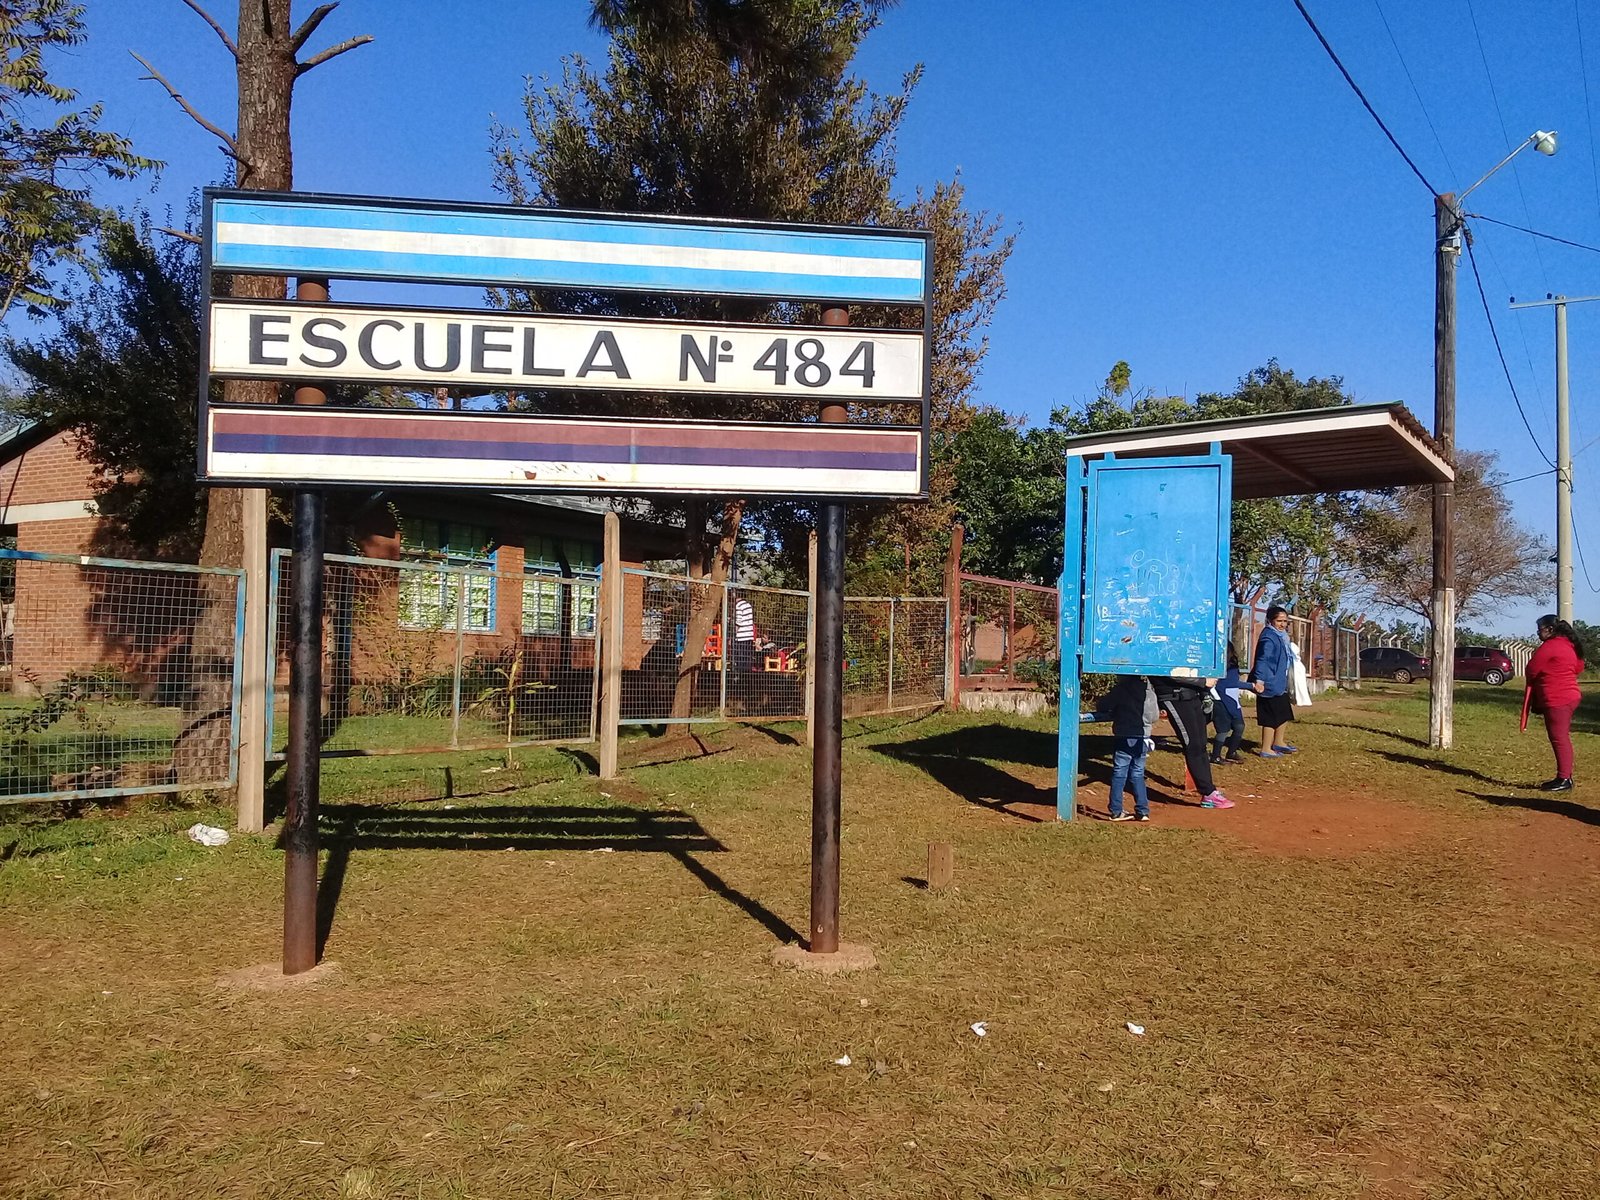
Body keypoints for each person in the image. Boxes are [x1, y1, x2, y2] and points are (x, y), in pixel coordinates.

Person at [1152, 673, 1233, 809]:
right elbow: (1173, 673)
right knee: (1192, 745)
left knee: (1201, 744)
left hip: (1193, 695)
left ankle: (1210, 790)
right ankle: (1208, 792)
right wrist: (1202, 681)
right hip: (1174, 697)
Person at [1525, 614, 1585, 792]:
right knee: (1560, 736)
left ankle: (1564, 778)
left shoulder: (1550, 646)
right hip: (1570, 696)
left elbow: (1531, 669)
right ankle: (1564, 777)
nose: (1538, 633)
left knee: (1559, 738)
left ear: (1550, 629)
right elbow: (1579, 667)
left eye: (1540, 630)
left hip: (1558, 698)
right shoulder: (1569, 645)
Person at [1100, 674, 1157, 821]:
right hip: (1143, 736)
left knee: (1119, 772)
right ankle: (1143, 811)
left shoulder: (1121, 689)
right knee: (1138, 773)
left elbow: (1103, 705)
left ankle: (1116, 810)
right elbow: (1154, 716)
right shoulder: (1148, 691)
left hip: (1124, 734)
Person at [1249, 605, 1296, 756]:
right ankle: (1266, 749)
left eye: (1285, 621)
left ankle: (1278, 742)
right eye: (1279, 621)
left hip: (1279, 681)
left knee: (1283, 713)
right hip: (1268, 682)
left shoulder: (1281, 636)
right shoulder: (1269, 637)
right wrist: (1260, 680)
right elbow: (1263, 659)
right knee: (1270, 717)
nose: (1283, 624)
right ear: (1270, 620)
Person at [1209, 646, 1246, 765]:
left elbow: (1233, 683)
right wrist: (1251, 686)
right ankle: (1216, 756)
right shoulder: (1215, 665)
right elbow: (1225, 685)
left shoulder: (1233, 666)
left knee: (1239, 727)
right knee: (1223, 730)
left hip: (1233, 701)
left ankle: (1232, 752)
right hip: (1220, 701)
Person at [731, 594, 760, 672]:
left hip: (741, 637)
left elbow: (738, 622)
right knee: (747, 658)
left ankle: (740, 675)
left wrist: (734, 635)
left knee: (740, 659)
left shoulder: (738, 606)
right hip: (749, 636)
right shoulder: (748, 605)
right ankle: (746, 676)